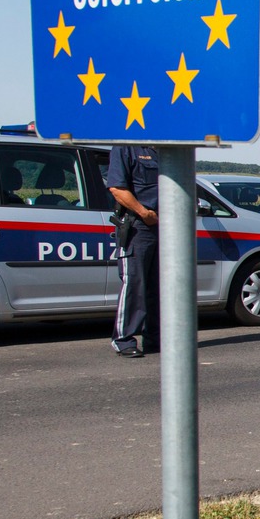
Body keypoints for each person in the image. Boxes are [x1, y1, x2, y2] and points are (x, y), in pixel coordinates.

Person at [108, 144, 159, 358]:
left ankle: (155, 338)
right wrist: (143, 213)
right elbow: (117, 188)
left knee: (161, 287)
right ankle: (124, 339)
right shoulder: (125, 148)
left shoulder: (167, 149)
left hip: (166, 227)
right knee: (135, 284)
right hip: (139, 226)